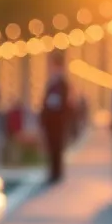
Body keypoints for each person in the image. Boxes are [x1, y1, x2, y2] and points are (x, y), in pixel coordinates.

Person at [39, 54, 70, 184]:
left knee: (57, 146)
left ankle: (57, 172)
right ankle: (53, 170)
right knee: (51, 146)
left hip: (58, 120)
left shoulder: (63, 83)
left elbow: (65, 102)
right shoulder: (51, 81)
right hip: (50, 120)